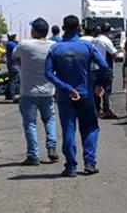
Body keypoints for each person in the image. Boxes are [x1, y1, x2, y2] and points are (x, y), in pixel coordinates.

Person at [45, 15, 109, 177]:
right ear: (79, 28)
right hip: (85, 93)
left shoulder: (55, 49)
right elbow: (104, 66)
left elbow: (48, 73)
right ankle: (89, 163)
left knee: (68, 130)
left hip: (65, 95)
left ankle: (71, 166)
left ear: (63, 28)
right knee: (90, 127)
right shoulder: (87, 47)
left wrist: (66, 88)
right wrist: (98, 83)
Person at [15, 18, 58, 165]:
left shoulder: (24, 45)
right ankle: (51, 147)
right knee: (49, 120)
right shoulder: (53, 46)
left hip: (28, 91)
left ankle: (33, 155)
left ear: (34, 31)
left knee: (30, 123)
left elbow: (15, 56)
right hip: (48, 90)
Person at [93, 23, 119, 118]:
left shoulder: (95, 39)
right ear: (108, 31)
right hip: (104, 67)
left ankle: (97, 109)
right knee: (106, 89)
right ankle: (106, 109)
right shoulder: (106, 40)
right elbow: (114, 53)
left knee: (96, 88)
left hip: (94, 67)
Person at [4, 33, 19, 101]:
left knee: (11, 79)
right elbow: (17, 52)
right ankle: (11, 94)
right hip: (14, 63)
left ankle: (8, 94)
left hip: (10, 63)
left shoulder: (8, 43)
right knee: (14, 79)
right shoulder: (13, 44)